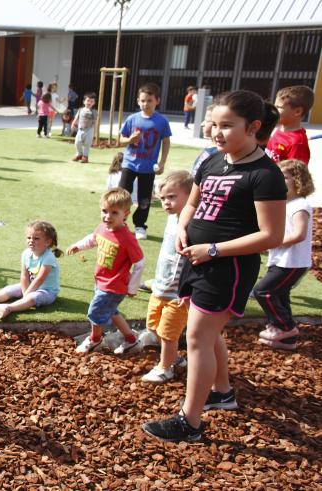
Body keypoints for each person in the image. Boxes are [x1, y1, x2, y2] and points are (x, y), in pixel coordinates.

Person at [143, 90, 286, 443]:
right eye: (213, 124)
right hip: (197, 259)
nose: (216, 132)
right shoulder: (211, 161)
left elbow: (271, 235)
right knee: (206, 333)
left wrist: (214, 249)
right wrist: (183, 229)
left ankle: (189, 423)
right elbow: (193, 202)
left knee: (196, 338)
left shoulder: (265, 174)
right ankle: (221, 393)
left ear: (253, 127)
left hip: (227, 268)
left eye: (227, 126)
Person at [66, 187, 146, 355]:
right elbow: (93, 238)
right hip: (101, 281)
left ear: (126, 214)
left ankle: (95, 340)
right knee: (112, 312)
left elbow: (139, 262)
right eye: (104, 211)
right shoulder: (103, 227)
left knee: (94, 312)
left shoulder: (127, 238)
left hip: (114, 285)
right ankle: (131, 340)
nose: (107, 216)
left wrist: (132, 287)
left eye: (114, 213)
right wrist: (78, 246)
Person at [253, 159, 314, 350]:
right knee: (280, 294)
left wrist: (272, 242)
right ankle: (286, 340)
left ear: (298, 180)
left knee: (263, 291)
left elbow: (299, 234)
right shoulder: (285, 204)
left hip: (293, 261)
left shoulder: (300, 205)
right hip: (282, 259)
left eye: (285, 177)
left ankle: (285, 327)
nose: (279, 180)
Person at [140, 171, 193, 383]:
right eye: (163, 198)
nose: (166, 203)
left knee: (169, 334)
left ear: (190, 196)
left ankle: (165, 367)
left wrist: (188, 290)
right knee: (153, 327)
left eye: (172, 197)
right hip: (160, 287)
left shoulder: (192, 224)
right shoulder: (172, 219)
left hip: (177, 293)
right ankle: (175, 359)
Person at [0, 221, 62, 320]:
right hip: (30, 285)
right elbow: (24, 275)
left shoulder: (48, 257)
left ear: (48, 242)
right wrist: (25, 291)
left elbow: (40, 279)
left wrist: (27, 295)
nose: (31, 240)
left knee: (32, 298)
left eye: (36, 238)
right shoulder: (26, 254)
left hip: (47, 291)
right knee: (9, 289)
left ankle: (8, 308)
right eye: (29, 237)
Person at [118, 82, 173, 240]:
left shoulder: (162, 121)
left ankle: (140, 225)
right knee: (122, 195)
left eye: (149, 100)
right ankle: (120, 222)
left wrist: (162, 162)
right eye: (142, 101)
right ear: (138, 101)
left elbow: (166, 141)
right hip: (129, 164)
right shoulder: (132, 119)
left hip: (148, 167)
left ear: (157, 101)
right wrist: (130, 139)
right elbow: (121, 140)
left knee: (144, 198)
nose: (145, 104)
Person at [266, 85, 314, 165]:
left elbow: (294, 175)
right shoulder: (280, 129)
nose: (274, 110)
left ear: (298, 111)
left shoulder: (297, 144)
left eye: (279, 107)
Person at [71, 92, 97, 162]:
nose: (89, 102)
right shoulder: (80, 110)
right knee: (77, 142)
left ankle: (85, 157)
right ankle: (79, 154)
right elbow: (76, 117)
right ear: (84, 101)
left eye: (91, 101)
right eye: (88, 100)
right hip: (80, 129)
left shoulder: (93, 111)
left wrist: (95, 131)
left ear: (94, 103)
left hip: (89, 130)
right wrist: (73, 123)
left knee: (87, 144)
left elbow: (95, 122)